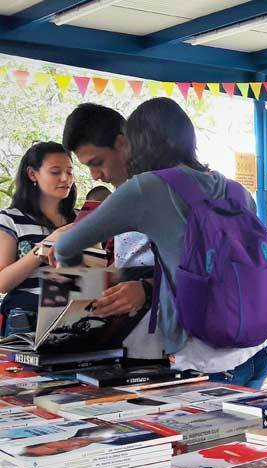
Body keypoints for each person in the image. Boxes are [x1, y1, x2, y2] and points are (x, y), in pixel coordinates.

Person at [55, 97, 267, 389]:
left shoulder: (147, 187)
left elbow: (65, 247)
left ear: (133, 144)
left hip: (203, 362)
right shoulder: (236, 191)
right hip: (258, 351)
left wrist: (82, 289)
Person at [63, 103, 160, 358]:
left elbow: (198, 269)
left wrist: (147, 288)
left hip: (185, 344)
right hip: (138, 338)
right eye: (88, 167)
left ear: (122, 144)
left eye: (98, 163)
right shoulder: (124, 196)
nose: (95, 176)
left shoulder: (161, 190)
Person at [0, 142, 76, 335]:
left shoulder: (79, 220)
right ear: (32, 174)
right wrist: (46, 245)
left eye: (69, 171)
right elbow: (2, 283)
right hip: (27, 318)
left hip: (74, 318)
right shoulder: (10, 219)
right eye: (55, 172)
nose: (65, 178)